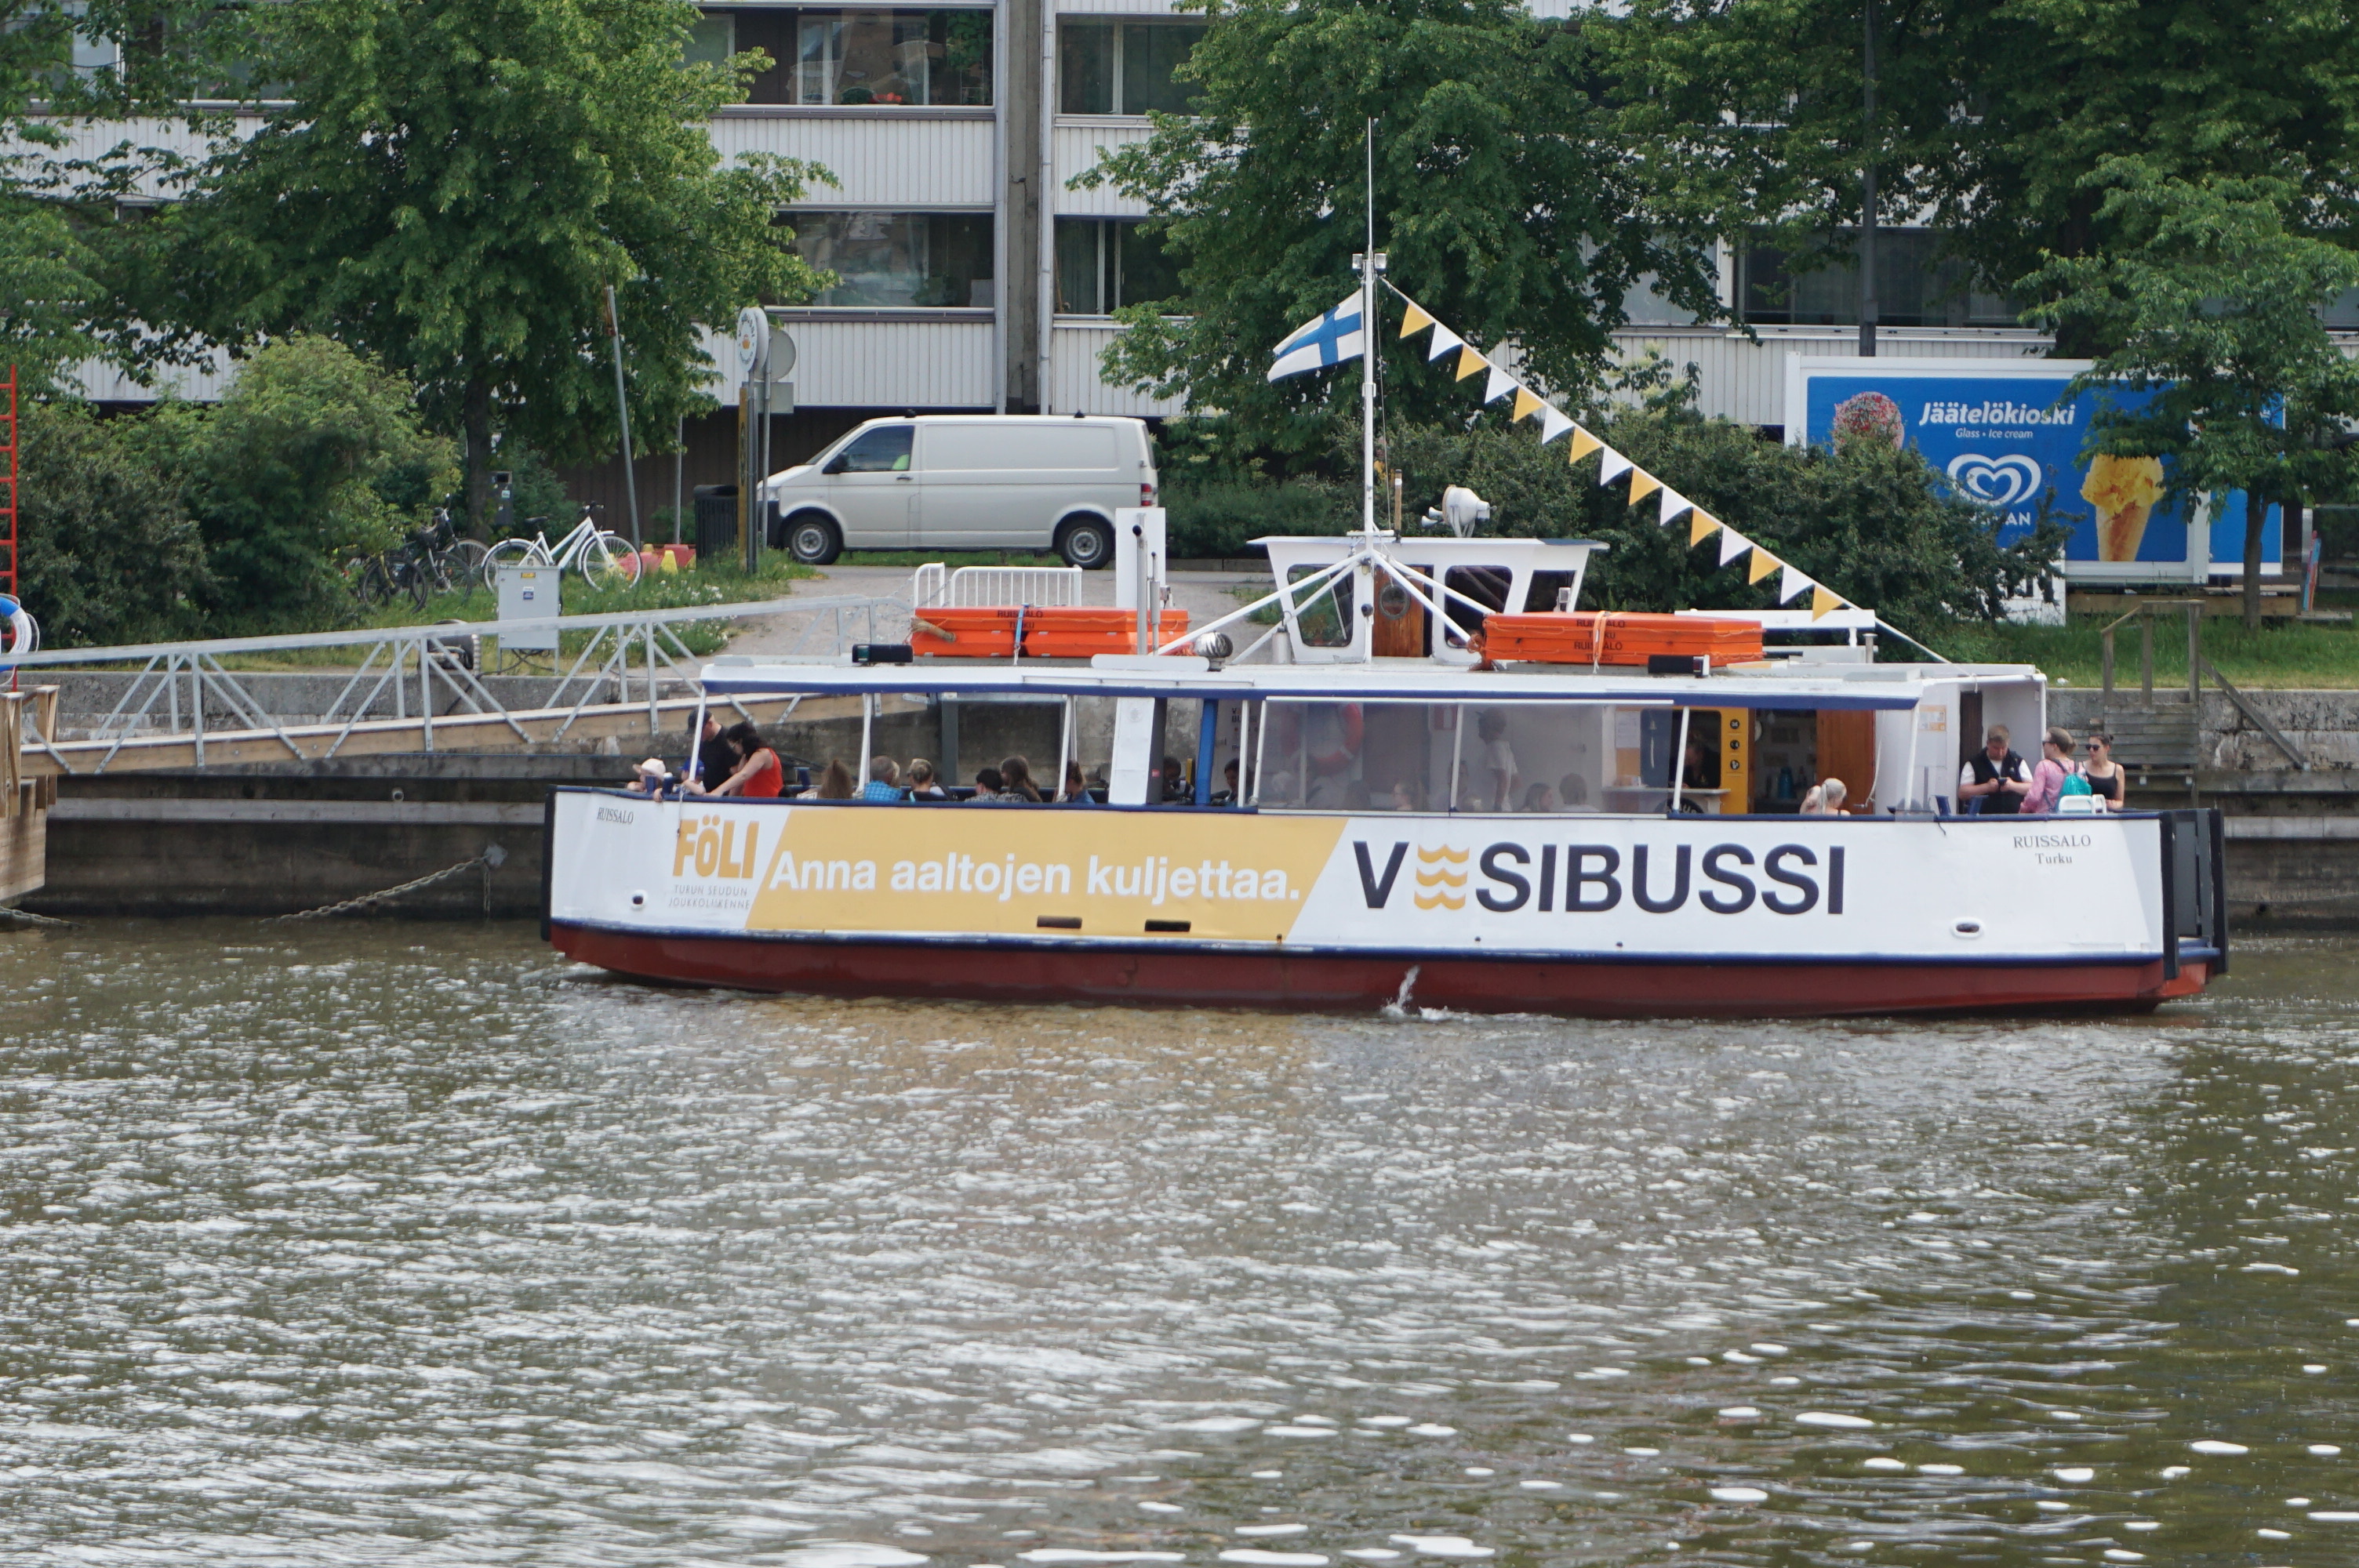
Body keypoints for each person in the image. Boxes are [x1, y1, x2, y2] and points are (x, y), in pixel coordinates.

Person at [1959, 725, 2033, 815]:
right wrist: (1986, 787)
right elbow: (1963, 793)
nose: (2000, 752)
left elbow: (2032, 788)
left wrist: (2013, 785)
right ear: (1988, 743)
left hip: (2014, 819)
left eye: (2003, 748)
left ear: (2008, 743)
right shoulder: (1974, 763)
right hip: (1983, 819)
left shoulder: (2017, 761)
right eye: (1996, 748)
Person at [709, 722, 785, 798]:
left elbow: (743, 775)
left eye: (734, 747)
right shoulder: (745, 758)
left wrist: (719, 790)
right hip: (753, 802)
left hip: (769, 802)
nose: (734, 751)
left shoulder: (763, 754)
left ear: (740, 741)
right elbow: (738, 785)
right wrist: (729, 801)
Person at [2021, 727, 2084, 815]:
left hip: (2048, 818)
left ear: (2054, 746)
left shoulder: (2044, 766)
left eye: (2044, 743)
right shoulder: (2080, 768)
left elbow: (2034, 797)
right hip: (2074, 817)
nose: (2043, 747)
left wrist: (2023, 810)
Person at [1476, 708, 1516, 811]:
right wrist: (1504, 797)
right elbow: (1516, 781)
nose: (1479, 725)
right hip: (1503, 808)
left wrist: (1497, 805)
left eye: (1481, 722)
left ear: (1489, 725)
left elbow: (1502, 778)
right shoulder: (1506, 748)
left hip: (1493, 810)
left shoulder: (1494, 747)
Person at [2082, 732, 2125, 811]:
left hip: (2109, 814)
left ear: (2106, 748)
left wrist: (2114, 804)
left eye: (2095, 748)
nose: (2091, 750)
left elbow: (2120, 801)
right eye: (2088, 747)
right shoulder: (2081, 767)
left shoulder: (2118, 770)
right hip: (2087, 814)